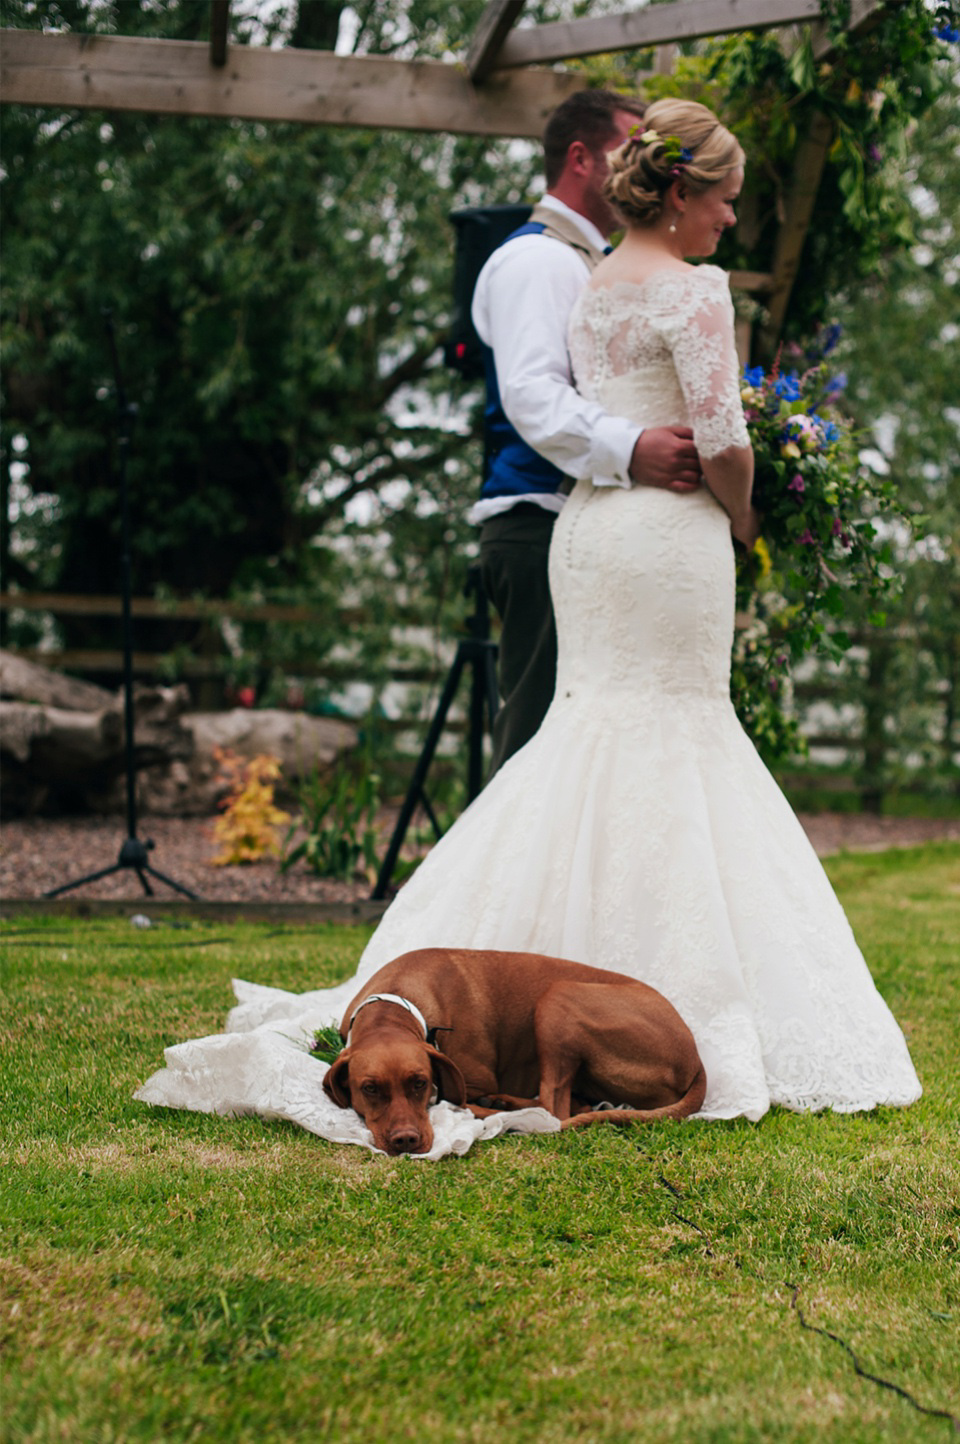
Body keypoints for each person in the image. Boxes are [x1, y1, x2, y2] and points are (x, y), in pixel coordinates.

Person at [138, 99, 920, 1145]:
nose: (733, 221)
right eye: (727, 200)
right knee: (675, 729)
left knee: (586, 728)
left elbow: (576, 403)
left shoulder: (590, 284)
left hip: (593, 531)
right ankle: (648, 998)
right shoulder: (692, 291)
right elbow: (724, 438)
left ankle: (564, 974)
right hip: (668, 533)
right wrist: (743, 510)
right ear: (684, 194)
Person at [472, 89, 703, 774]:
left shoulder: (589, 262)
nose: (646, 166)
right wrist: (633, 449)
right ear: (581, 157)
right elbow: (532, 396)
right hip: (538, 525)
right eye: (629, 149)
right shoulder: (538, 261)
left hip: (578, 530)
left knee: (579, 755)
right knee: (534, 755)